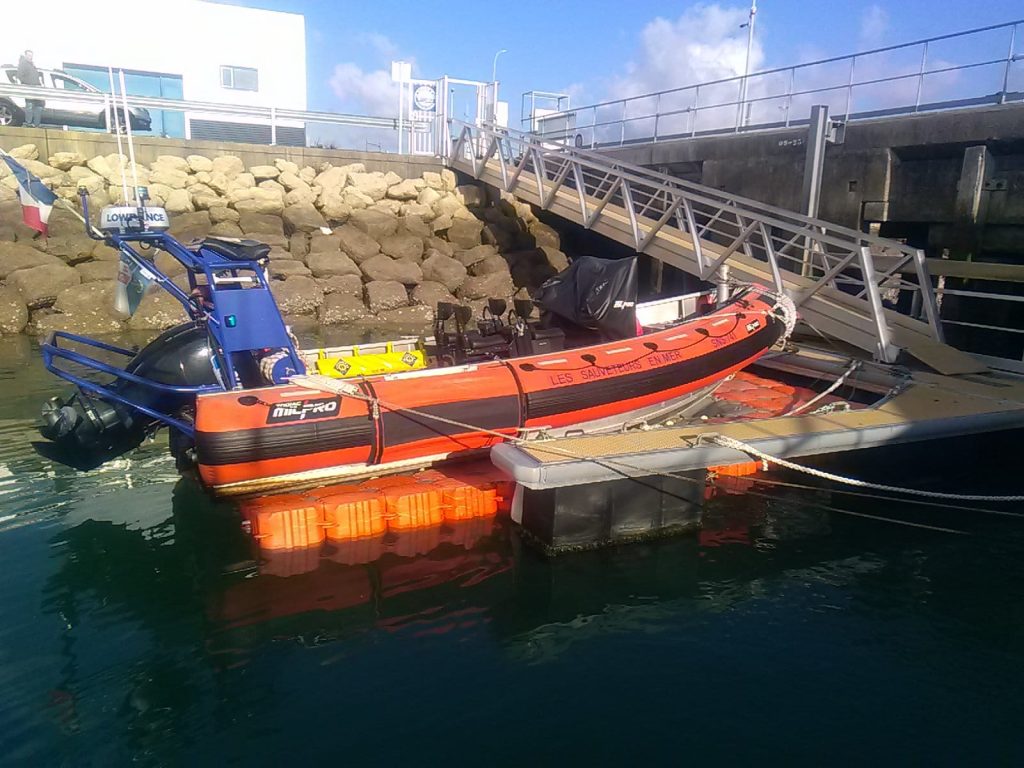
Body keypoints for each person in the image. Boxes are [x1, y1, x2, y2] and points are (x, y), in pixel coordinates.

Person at [16, 50, 44, 128]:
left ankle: (36, 124)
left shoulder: (32, 65)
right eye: (28, 55)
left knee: (38, 106)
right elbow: (19, 76)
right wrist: (27, 84)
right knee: (30, 105)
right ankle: (28, 123)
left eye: (31, 55)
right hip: (29, 88)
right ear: (25, 55)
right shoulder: (23, 64)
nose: (30, 57)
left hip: (37, 88)